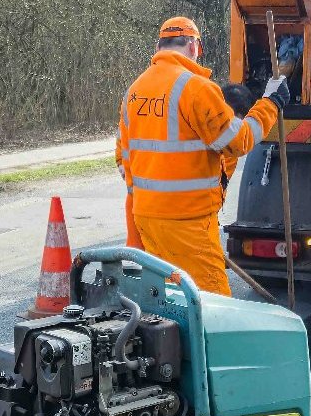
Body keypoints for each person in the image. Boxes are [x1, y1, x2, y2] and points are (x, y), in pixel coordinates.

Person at [119, 16, 289, 296]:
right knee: (211, 304)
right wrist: (270, 103)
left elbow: (125, 160)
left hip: (147, 220)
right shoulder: (196, 88)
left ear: (159, 46)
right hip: (188, 223)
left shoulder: (135, 91)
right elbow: (239, 141)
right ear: (193, 46)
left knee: (170, 301)